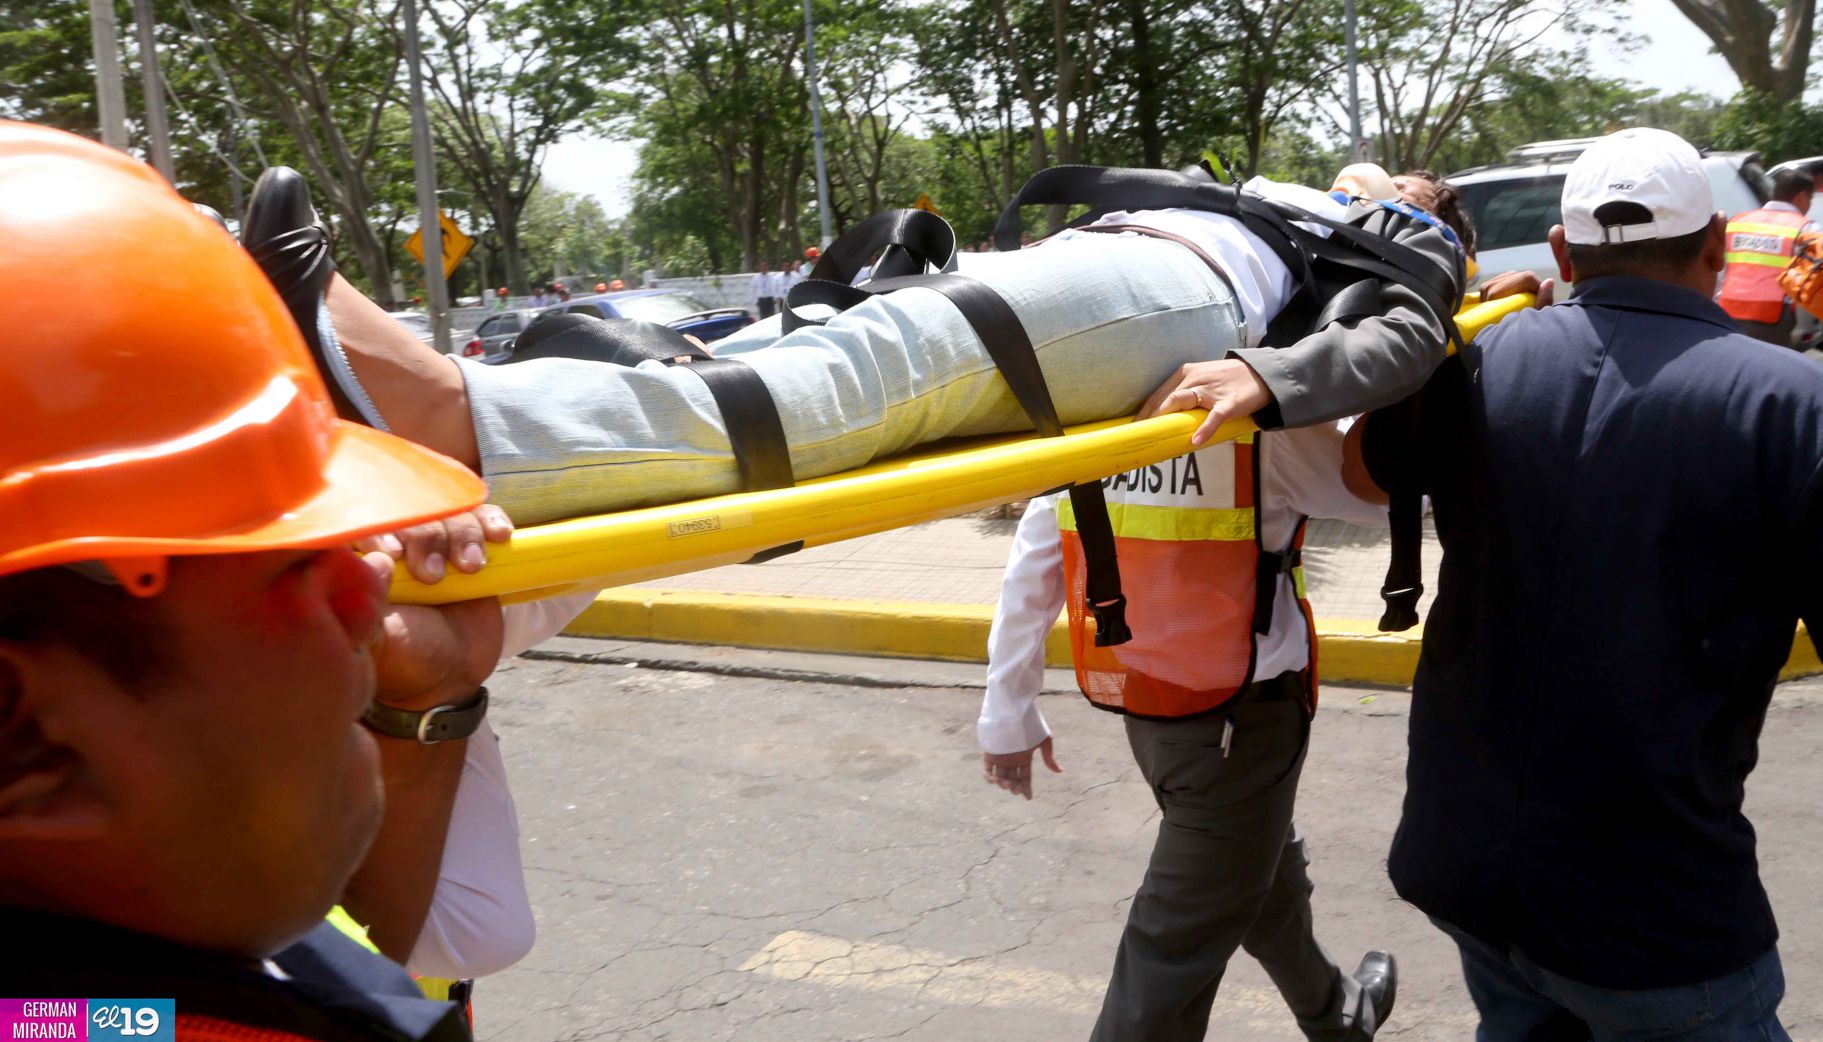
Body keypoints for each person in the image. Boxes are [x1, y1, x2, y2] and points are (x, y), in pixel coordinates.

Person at [248, 161, 1463, 533]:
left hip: (1172, 299)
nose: (1384, 177)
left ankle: (426, 403)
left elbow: (1410, 331)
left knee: (855, 378)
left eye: (1410, 185)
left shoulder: (1396, 235)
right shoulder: (1268, 189)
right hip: (1102, 284)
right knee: (790, 375)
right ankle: (461, 418)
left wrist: (1272, 375)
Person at [1, 121, 486, 1037]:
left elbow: (330, 939)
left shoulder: (92, 978)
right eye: (301, 559)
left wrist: (430, 701)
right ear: (16, 729)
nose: (370, 583)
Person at [973, 167, 1477, 1042]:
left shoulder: (1109, 393)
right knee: (1167, 953)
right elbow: (1395, 495)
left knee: (1260, 876)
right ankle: (1333, 1016)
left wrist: (1006, 711)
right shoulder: (1271, 420)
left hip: (1149, 702)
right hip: (1242, 719)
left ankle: (1334, 1015)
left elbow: (1035, 548)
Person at [1359, 127, 1818, 1039]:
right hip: (1653, 914)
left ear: (1563, 252)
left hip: (1467, 869)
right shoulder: (1788, 403)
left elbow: (1370, 466)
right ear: (1719, 245)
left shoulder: (1472, 364)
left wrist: (1471, 328)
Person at [1718, 167, 1816, 346]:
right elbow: (1811, 279)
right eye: (1810, 199)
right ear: (1801, 196)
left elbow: (1720, 271)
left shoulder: (1737, 222)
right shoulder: (1805, 229)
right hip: (1774, 318)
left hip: (1729, 312)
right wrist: (1805, 325)